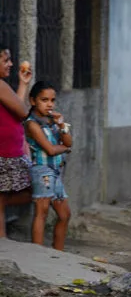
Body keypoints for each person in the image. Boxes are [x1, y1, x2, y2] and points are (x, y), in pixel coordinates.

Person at [24, 81, 72, 250]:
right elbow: (51, 150)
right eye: (44, 100)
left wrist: (62, 125)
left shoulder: (53, 122)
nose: (50, 104)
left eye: (52, 100)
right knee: (42, 212)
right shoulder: (32, 124)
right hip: (41, 171)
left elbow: (68, 141)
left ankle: (58, 253)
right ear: (33, 101)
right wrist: (65, 148)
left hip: (55, 171)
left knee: (64, 215)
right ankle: (38, 253)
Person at [0, 49, 33, 239]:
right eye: (6, 60)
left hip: (9, 152)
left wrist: (23, 84)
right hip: (6, 154)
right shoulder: (0, 85)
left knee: (2, 200)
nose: (11, 64)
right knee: (36, 188)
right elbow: (23, 112)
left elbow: (15, 111)